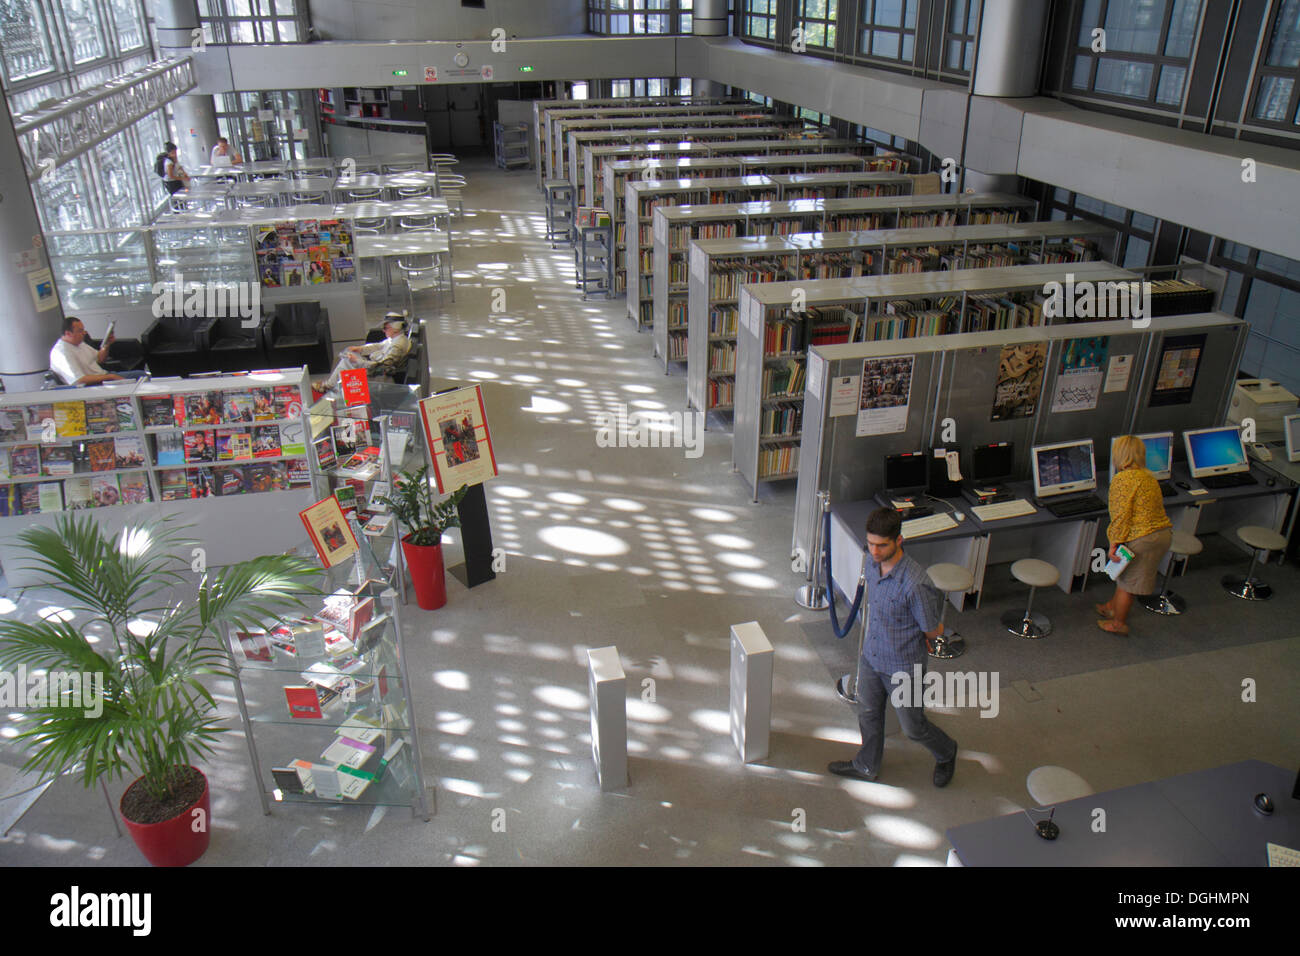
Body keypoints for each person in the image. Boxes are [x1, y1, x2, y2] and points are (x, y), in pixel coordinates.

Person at [828, 507, 959, 787]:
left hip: (903, 668)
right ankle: (866, 766)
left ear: (898, 541)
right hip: (872, 657)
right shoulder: (872, 564)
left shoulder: (916, 583)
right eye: (870, 544)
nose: (874, 551)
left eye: (881, 545)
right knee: (868, 714)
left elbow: (932, 629)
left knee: (913, 728)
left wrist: (930, 635)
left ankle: (947, 752)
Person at [1096, 435, 1173, 635]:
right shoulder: (1149, 477)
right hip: (1161, 534)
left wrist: (1114, 544)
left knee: (1127, 584)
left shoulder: (1122, 480)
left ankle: (1118, 624)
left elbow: (1121, 517)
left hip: (1142, 538)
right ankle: (1110, 607)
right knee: (1125, 575)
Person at [324, 314, 412, 389]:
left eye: (386, 328)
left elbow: (381, 367)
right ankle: (330, 385)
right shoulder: (396, 339)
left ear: (396, 328)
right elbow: (378, 345)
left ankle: (329, 386)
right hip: (376, 371)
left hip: (380, 377)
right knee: (348, 359)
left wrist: (357, 361)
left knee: (346, 363)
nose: (383, 330)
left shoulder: (397, 346)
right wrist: (360, 349)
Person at [50, 317, 146, 385]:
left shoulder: (79, 343)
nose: (84, 333)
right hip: (94, 384)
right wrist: (110, 377)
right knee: (140, 377)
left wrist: (107, 344)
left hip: (103, 375)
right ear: (68, 333)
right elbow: (79, 380)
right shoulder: (62, 353)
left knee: (141, 375)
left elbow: (100, 359)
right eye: (80, 331)